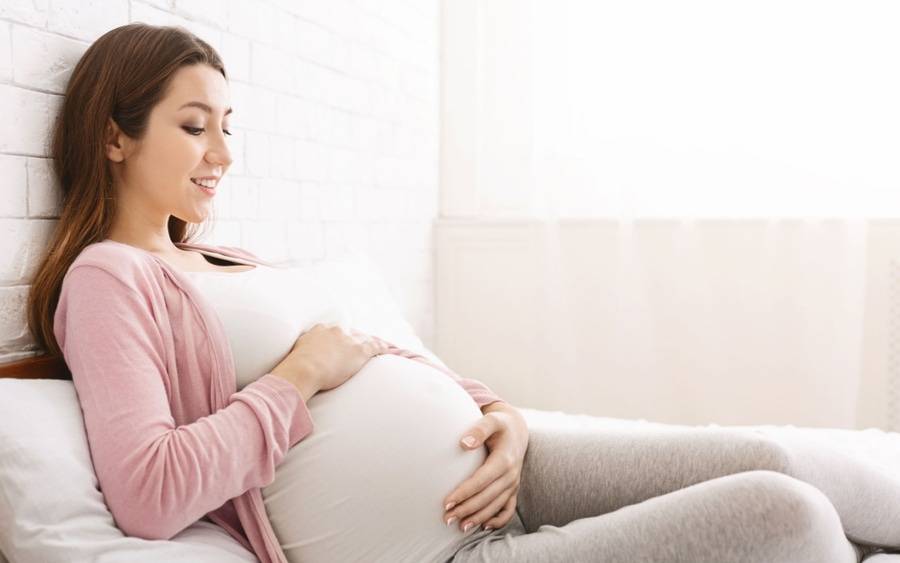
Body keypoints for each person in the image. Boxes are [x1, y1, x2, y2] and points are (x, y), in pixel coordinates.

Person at [25, 22, 897, 563]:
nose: (222, 153)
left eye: (227, 126)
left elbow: (377, 353)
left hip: (507, 466)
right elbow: (147, 491)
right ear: (113, 135)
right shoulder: (109, 278)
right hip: (438, 545)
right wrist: (296, 375)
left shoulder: (229, 259)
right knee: (783, 517)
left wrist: (498, 414)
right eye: (192, 126)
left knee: (781, 463)